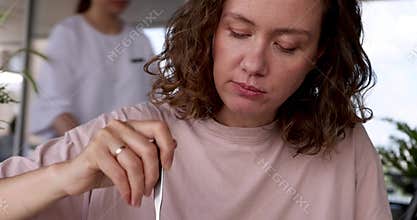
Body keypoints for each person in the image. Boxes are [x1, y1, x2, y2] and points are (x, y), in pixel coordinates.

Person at [0, 0, 392, 219]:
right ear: (210, 31)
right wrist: (65, 176)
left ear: (318, 54)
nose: (254, 64)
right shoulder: (126, 131)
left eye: (287, 45)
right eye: (239, 33)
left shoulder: (346, 146)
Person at [29, 0, 155, 139]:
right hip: (81, 152)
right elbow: (54, 105)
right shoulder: (68, 33)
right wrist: (89, 148)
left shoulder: (140, 39)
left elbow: (157, 96)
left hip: (136, 149)